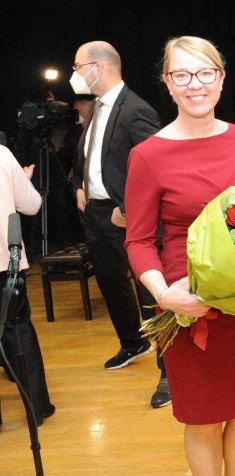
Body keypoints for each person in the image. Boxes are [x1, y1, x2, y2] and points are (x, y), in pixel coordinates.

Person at [125, 36, 235, 476]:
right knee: (204, 417)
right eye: (182, 75)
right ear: (167, 85)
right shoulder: (148, 155)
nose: (195, 85)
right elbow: (136, 241)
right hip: (191, 306)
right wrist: (166, 298)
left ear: (221, 77)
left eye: (205, 73)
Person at [68, 41, 168, 408]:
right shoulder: (96, 108)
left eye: (78, 66)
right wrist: (79, 185)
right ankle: (133, 343)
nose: (75, 74)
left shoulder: (136, 109)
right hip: (95, 213)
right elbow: (91, 156)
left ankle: (169, 370)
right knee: (110, 283)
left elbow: (157, 165)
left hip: (127, 215)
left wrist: (129, 208)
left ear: (99, 67)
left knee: (149, 291)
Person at [0, 146, 55, 426]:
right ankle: (37, 408)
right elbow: (32, 205)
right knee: (17, 329)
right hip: (4, 262)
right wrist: (21, 179)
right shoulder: (1, 154)